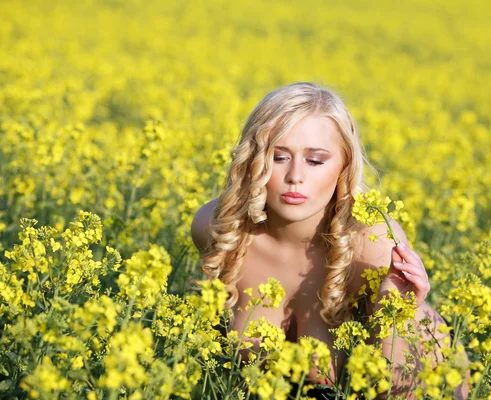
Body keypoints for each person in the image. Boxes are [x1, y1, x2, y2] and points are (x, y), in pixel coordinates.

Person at [190, 82, 469, 398]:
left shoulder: (373, 243)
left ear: (344, 166)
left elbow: (402, 387)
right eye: (279, 157)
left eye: (315, 160)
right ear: (254, 161)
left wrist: (392, 316)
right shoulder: (219, 228)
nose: (296, 175)